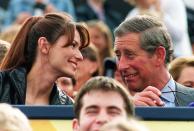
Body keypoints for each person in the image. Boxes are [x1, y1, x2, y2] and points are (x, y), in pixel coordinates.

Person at [0, 12, 90, 105]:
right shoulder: (2, 85)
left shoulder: (67, 106)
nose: (80, 56)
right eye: (73, 45)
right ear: (44, 46)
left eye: (79, 49)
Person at [114, 15, 194, 107]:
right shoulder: (115, 109)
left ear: (159, 55)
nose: (121, 66)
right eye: (118, 56)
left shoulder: (191, 99)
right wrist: (129, 110)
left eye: (130, 55)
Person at [126, 0, 193, 57]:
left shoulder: (172, 2)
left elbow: (179, 35)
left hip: (178, 59)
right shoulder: (133, 14)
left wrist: (160, 15)